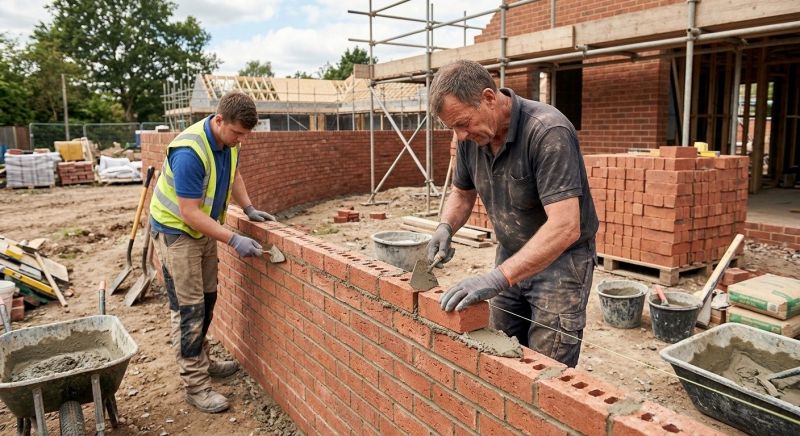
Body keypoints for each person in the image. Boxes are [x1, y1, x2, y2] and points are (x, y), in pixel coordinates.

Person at [427, 60, 598, 368]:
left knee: (547, 370)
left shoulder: (547, 131)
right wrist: (445, 227)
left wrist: (497, 277)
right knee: (501, 354)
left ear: (489, 98)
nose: (460, 135)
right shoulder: (470, 139)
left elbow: (565, 226)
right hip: (510, 254)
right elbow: (462, 193)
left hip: (562, 263)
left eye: (463, 123)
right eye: (453, 127)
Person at [149, 91, 276, 413]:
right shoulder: (190, 152)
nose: (239, 140)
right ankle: (196, 385)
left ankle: (203, 359)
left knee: (207, 300)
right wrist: (233, 239)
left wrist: (248, 208)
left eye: (244, 135)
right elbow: (189, 213)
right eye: (236, 133)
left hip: (203, 230)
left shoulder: (229, 142)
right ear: (219, 120)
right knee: (189, 310)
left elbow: (234, 174)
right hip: (177, 234)